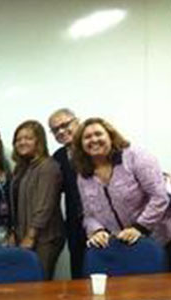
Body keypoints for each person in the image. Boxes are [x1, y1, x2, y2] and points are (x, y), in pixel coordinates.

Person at [72, 117, 171, 262]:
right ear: (81, 145)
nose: (93, 139)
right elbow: (89, 214)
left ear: (111, 136)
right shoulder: (83, 175)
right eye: (87, 137)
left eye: (98, 134)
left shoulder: (135, 156)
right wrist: (96, 230)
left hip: (160, 241)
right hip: (121, 246)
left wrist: (139, 228)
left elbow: (159, 196)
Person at [10, 120, 65, 279]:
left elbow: (44, 206)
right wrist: (14, 232)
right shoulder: (21, 168)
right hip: (23, 234)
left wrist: (30, 236)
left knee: (39, 282)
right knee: (25, 282)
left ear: (39, 141)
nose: (22, 142)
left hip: (44, 238)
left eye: (28, 138)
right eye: (18, 139)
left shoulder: (48, 166)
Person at [49, 108, 86, 279]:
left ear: (77, 121)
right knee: (79, 272)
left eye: (65, 125)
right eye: (55, 130)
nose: (61, 131)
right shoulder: (58, 157)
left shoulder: (95, 144)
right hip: (75, 225)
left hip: (107, 222)